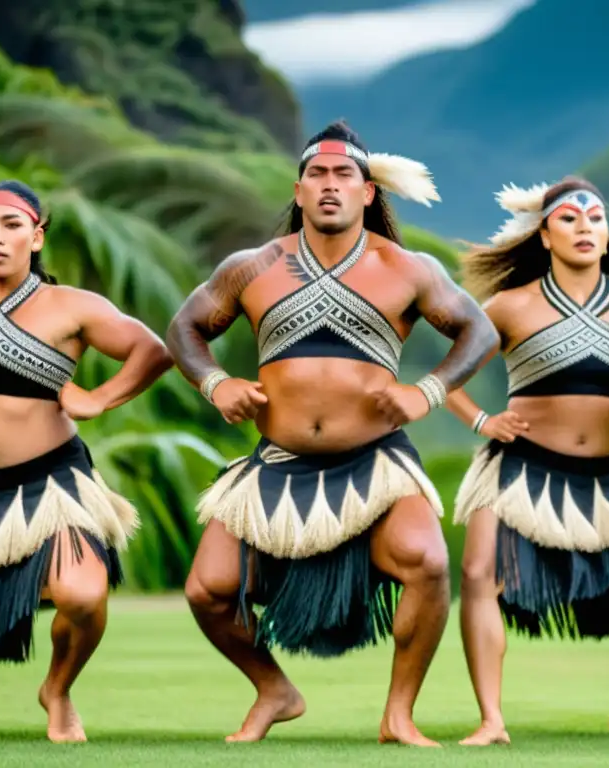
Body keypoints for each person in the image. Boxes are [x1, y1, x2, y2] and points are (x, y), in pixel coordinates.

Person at [165, 120, 500, 747]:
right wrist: (215, 384)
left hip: (375, 462)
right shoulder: (251, 268)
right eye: (316, 175)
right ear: (298, 190)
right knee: (207, 590)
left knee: (427, 562)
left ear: (368, 193)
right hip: (277, 461)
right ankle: (275, 689)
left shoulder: (407, 268)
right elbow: (185, 329)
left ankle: (398, 715)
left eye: (344, 175)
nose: (329, 186)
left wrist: (425, 390)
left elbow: (479, 332)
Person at [445, 177, 609, 745]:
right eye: (569, 219)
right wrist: (484, 422)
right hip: (519, 469)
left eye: (596, 218)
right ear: (544, 236)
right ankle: (491, 720)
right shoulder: (508, 306)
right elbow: (449, 377)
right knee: (480, 576)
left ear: (608, 236)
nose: (585, 227)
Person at [0, 180, 172, 742]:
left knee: (82, 594)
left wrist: (97, 399)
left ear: (36, 236)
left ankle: (58, 688)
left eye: (12, 225)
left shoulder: (72, 306)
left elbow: (153, 350)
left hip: (49, 484)